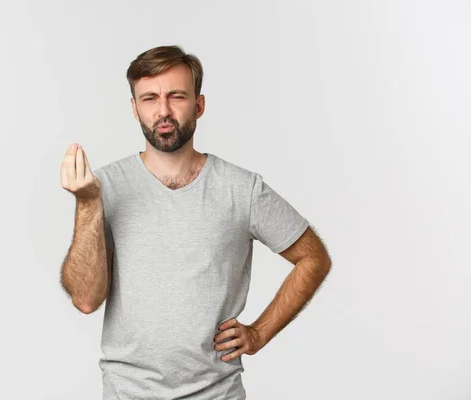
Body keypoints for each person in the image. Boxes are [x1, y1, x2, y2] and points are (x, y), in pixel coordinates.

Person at [59, 45, 332, 400]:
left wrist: (259, 333)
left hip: (217, 393)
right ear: (134, 108)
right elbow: (85, 299)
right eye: (150, 98)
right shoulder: (104, 187)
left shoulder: (241, 189)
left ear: (198, 105)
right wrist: (87, 203)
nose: (163, 111)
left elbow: (313, 257)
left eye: (176, 96)